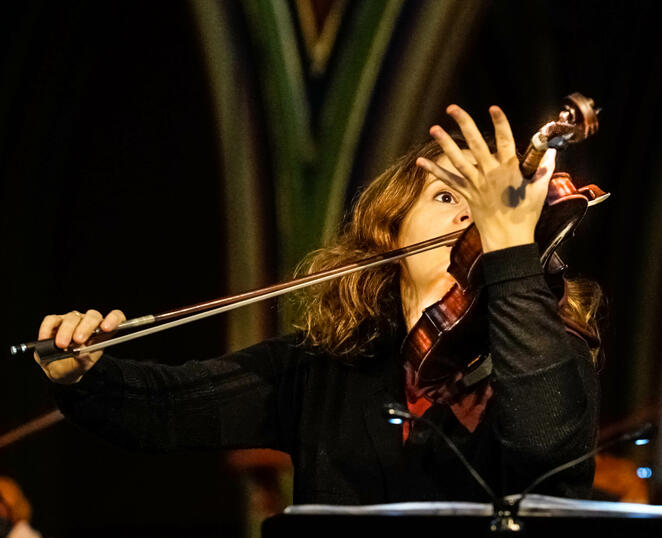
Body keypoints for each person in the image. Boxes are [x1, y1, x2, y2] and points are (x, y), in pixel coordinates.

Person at [35, 105, 601, 504]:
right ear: (393, 230)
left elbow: (543, 443)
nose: (468, 215)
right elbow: (168, 409)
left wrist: (511, 255)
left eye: (483, 203)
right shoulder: (325, 369)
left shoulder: (548, 351)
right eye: (448, 194)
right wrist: (84, 374)